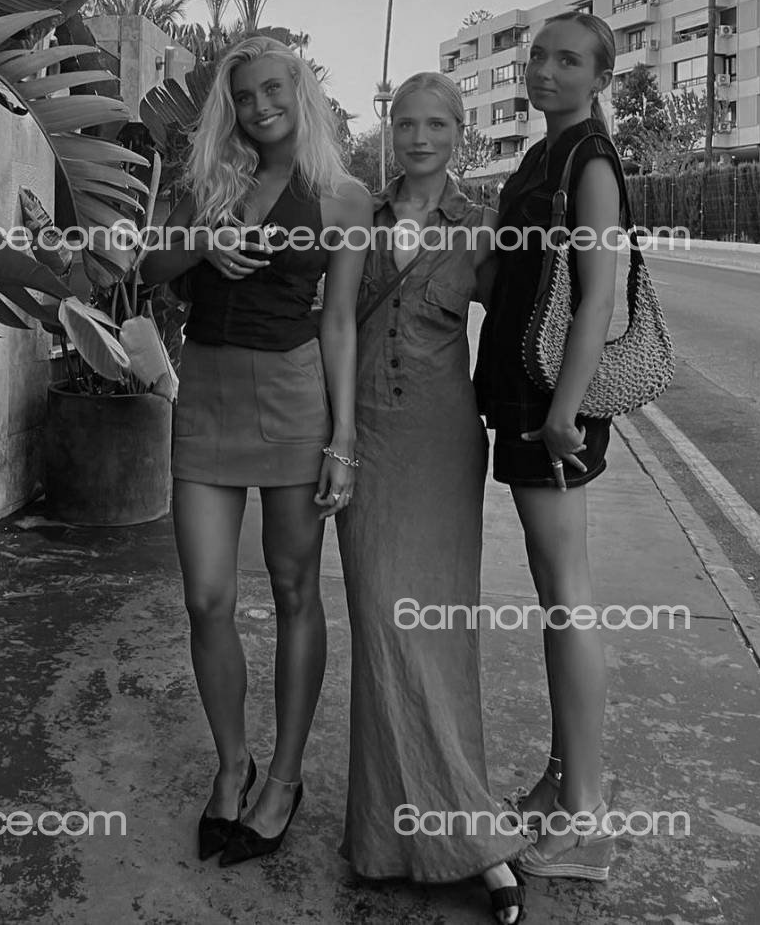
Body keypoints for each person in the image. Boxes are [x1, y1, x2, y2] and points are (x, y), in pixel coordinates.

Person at [141, 35, 371, 866]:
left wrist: (344, 436)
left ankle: (283, 777)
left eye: (274, 89)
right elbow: (150, 267)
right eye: (244, 95)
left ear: (300, 92)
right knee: (207, 596)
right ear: (229, 106)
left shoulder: (343, 195)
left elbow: (339, 321)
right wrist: (203, 242)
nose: (260, 105)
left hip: (294, 394)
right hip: (207, 393)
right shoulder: (209, 180)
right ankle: (231, 762)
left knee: (294, 590)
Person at [336, 72, 527, 925]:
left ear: (459, 133)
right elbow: (330, 323)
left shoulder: (480, 229)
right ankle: (393, 839)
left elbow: (526, 320)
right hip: (367, 439)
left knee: (438, 633)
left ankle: (457, 838)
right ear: (392, 130)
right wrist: (337, 437)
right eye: (406, 122)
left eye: (436, 124)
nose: (419, 137)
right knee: (384, 623)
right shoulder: (360, 215)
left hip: (444, 444)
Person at [474, 11, 623, 882]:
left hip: (551, 405)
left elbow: (597, 294)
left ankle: (587, 817)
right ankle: (559, 783)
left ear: (600, 78)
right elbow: (505, 277)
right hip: (522, 393)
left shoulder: (590, 159)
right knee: (552, 592)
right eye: (539, 55)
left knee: (568, 595)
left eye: (569, 60)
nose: (545, 70)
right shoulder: (540, 157)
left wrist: (566, 413)